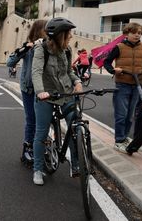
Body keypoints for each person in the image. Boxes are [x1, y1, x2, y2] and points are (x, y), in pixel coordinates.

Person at [31, 17, 83, 185]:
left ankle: (76, 164)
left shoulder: (67, 50)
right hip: (47, 95)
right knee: (41, 133)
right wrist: (40, 92)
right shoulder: (41, 49)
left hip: (66, 93)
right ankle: (37, 169)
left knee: (75, 127)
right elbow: (36, 72)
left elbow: (69, 71)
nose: (71, 37)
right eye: (68, 34)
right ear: (60, 35)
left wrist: (77, 81)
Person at [7, 19, 48, 167]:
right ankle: (27, 149)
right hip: (29, 89)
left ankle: (42, 147)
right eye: (46, 29)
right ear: (39, 31)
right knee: (32, 120)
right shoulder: (28, 47)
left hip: (45, 90)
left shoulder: (49, 45)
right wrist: (26, 48)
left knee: (44, 122)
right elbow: (10, 62)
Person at [103, 22, 142, 153]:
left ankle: (124, 137)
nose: (137, 35)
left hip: (137, 84)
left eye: (139, 33)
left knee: (130, 115)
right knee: (121, 114)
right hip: (122, 84)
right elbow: (107, 62)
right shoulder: (119, 47)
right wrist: (113, 70)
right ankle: (119, 140)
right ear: (127, 33)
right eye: (134, 33)